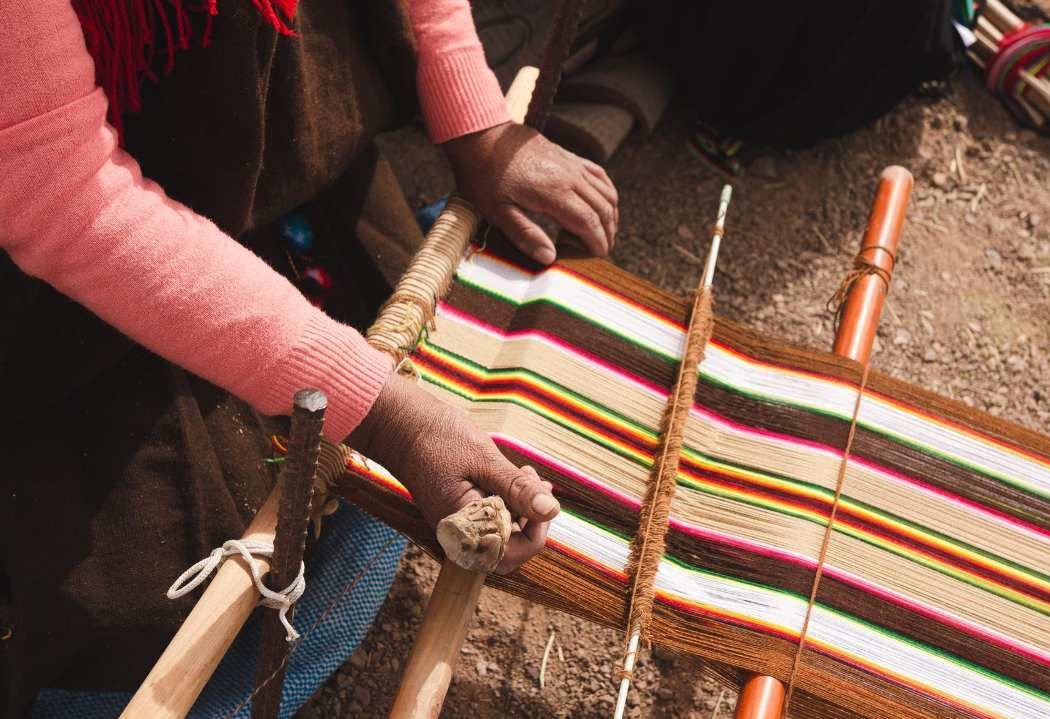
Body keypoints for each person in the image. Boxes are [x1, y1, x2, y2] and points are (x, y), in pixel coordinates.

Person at [0, 0, 618, 714]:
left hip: (221, 126)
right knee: (143, 608)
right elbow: (60, 191)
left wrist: (473, 114)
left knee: (384, 304)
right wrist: (387, 416)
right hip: (47, 247)